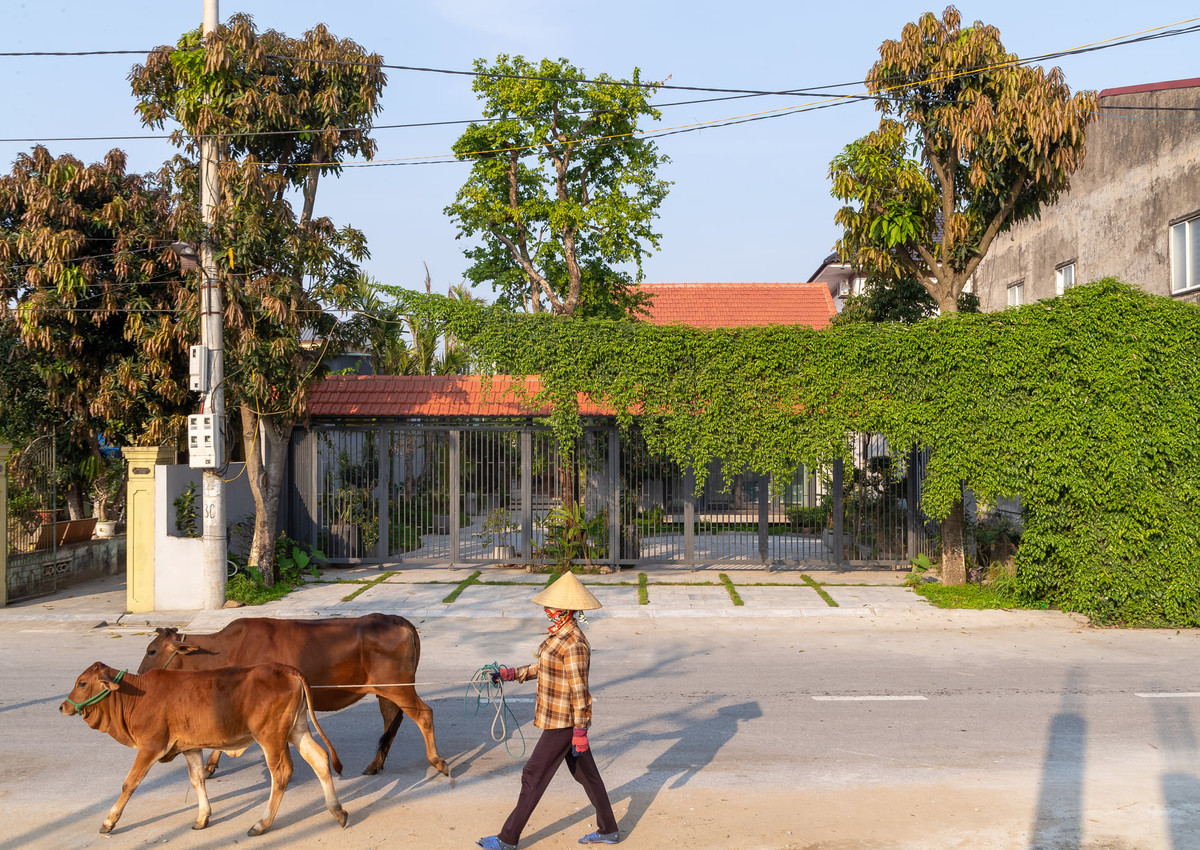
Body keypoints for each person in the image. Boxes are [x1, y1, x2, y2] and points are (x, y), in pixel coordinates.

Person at [477, 571, 620, 849]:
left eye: (552, 608)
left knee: (533, 774)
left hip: (564, 722)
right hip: (561, 719)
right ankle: (609, 830)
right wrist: (510, 674)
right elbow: (544, 668)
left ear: (566, 611)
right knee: (586, 775)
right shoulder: (559, 636)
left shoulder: (574, 643)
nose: (547, 611)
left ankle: (507, 839)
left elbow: (580, 691)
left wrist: (580, 730)